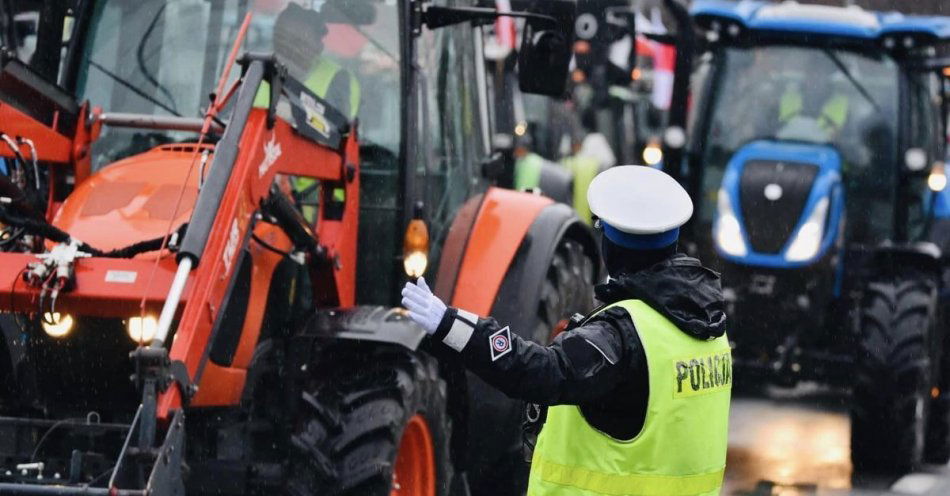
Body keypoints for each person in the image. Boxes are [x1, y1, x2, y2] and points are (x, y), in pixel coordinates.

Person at [402, 165, 731, 496]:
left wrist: (450, 324)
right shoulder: (706, 325)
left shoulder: (622, 335)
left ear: (612, 246)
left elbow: (540, 372)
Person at [253, 2, 360, 120]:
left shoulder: (339, 79)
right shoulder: (256, 66)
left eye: (297, 43)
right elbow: (231, 115)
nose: (289, 50)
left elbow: (337, 132)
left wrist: (296, 116)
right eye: (282, 39)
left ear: (318, 47)